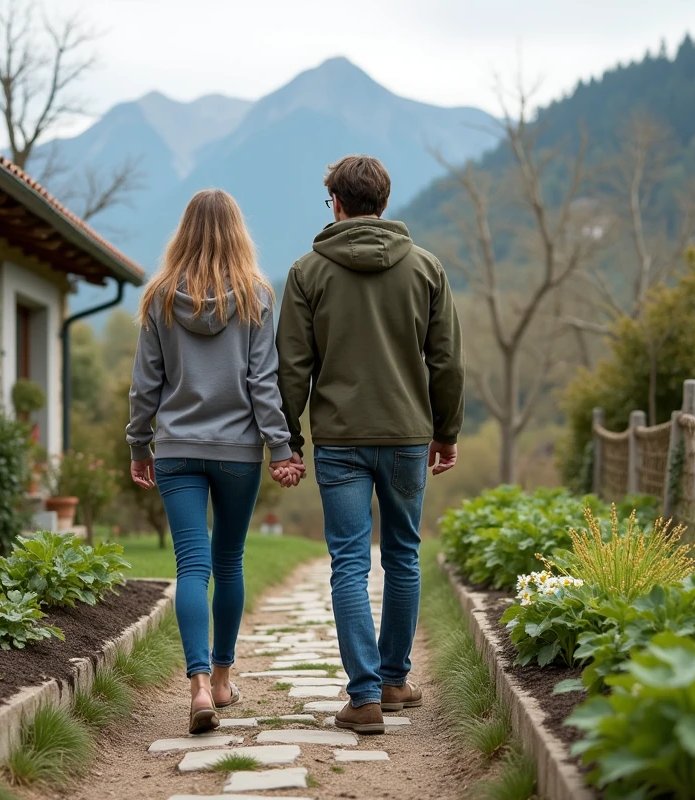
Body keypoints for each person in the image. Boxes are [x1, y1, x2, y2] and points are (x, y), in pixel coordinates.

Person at [276, 155, 465, 734]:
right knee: (403, 554)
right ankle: (394, 680)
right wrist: (446, 431)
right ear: (383, 201)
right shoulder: (427, 269)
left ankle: (363, 699)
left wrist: (288, 439)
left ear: (335, 202)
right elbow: (447, 361)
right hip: (408, 436)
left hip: (339, 441)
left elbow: (291, 368)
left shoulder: (308, 272)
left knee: (350, 564)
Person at [127, 189, 304, 734]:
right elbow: (261, 382)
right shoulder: (255, 296)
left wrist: (139, 443)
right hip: (236, 453)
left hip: (177, 450)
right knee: (228, 562)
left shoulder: (159, 297)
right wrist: (281, 447)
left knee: (191, 566)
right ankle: (224, 682)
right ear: (238, 232)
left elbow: (145, 384)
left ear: (183, 232)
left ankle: (198, 686)